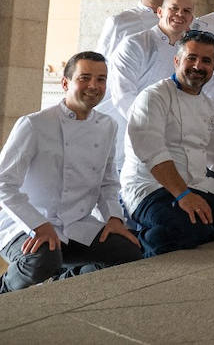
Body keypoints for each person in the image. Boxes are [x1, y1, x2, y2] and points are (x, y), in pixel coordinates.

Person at [121, 31, 214, 256]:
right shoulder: (153, 98)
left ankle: (200, 228)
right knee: (182, 230)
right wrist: (183, 195)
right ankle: (132, 248)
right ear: (177, 61)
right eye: (191, 58)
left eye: (206, 61)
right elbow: (154, 155)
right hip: (152, 187)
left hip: (197, 184)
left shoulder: (209, 106)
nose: (197, 65)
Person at [0, 52, 142, 292]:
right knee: (42, 260)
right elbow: (3, 183)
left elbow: (108, 182)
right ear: (65, 83)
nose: (94, 86)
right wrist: (38, 224)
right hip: (23, 223)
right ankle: (5, 290)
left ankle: (64, 280)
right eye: (85, 78)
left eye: (101, 79)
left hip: (76, 223)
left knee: (128, 253)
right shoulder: (34, 124)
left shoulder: (108, 126)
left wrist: (114, 219)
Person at [103, 0, 195, 154]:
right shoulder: (134, 44)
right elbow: (123, 95)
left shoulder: (190, 53)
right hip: (133, 131)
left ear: (191, 19)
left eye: (186, 11)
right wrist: (153, 128)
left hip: (174, 139)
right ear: (160, 12)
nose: (180, 14)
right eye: (173, 8)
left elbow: (208, 90)